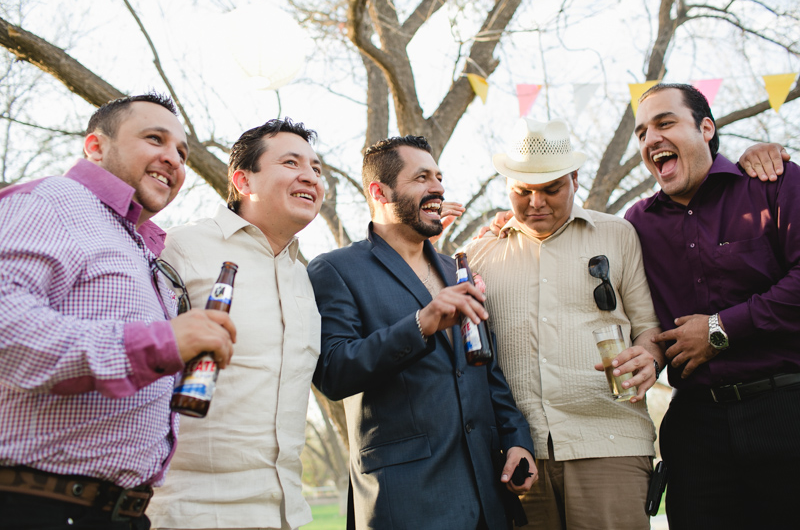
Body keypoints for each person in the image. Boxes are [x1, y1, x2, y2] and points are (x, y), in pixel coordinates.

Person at [0, 93, 236, 530]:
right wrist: (162, 343)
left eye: (182, 153)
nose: (173, 159)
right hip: (34, 506)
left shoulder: (143, 250)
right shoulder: (54, 200)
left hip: (120, 513)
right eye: (154, 139)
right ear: (95, 147)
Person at [308, 135, 536, 530]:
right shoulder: (335, 270)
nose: (439, 188)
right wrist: (420, 325)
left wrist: (518, 439)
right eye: (422, 178)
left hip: (488, 496)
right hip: (405, 503)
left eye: (439, 177)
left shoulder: (456, 271)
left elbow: (487, 370)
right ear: (380, 191)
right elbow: (333, 371)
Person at [463, 117, 665, 530]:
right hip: (517, 456)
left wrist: (648, 357)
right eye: (523, 191)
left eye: (550, 189)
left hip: (610, 443)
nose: (536, 202)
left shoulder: (619, 235)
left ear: (575, 179)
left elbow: (648, 327)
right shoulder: (478, 255)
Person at [625, 83, 800, 529]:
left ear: (706, 128)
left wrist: (722, 328)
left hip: (786, 408)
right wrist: (510, 221)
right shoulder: (635, 224)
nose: (651, 139)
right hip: (695, 430)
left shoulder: (773, 183)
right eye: (642, 132)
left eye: (665, 123)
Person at [146, 119, 324, 530]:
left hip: (287, 514)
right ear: (243, 180)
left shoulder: (305, 276)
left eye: (316, 168)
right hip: (191, 511)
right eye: (291, 162)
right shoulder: (179, 247)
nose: (309, 177)